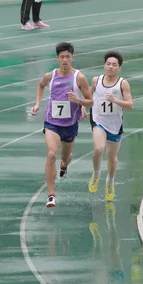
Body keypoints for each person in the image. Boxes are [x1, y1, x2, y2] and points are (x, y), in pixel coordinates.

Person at [31, 42, 92, 208]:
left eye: (68, 57)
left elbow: (91, 100)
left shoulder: (79, 78)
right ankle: (51, 195)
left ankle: (64, 164)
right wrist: (37, 104)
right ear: (57, 58)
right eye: (62, 57)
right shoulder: (50, 76)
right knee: (51, 154)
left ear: (72, 57)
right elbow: (40, 86)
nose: (65, 60)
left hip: (70, 125)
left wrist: (80, 103)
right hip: (52, 122)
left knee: (65, 157)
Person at [88, 51, 133, 202]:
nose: (110, 67)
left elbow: (129, 105)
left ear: (119, 68)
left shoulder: (122, 84)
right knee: (98, 148)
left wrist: (115, 100)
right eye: (108, 64)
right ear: (104, 65)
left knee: (112, 157)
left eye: (114, 65)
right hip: (98, 120)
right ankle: (96, 173)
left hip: (115, 124)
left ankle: (110, 182)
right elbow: (89, 95)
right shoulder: (96, 80)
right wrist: (83, 107)